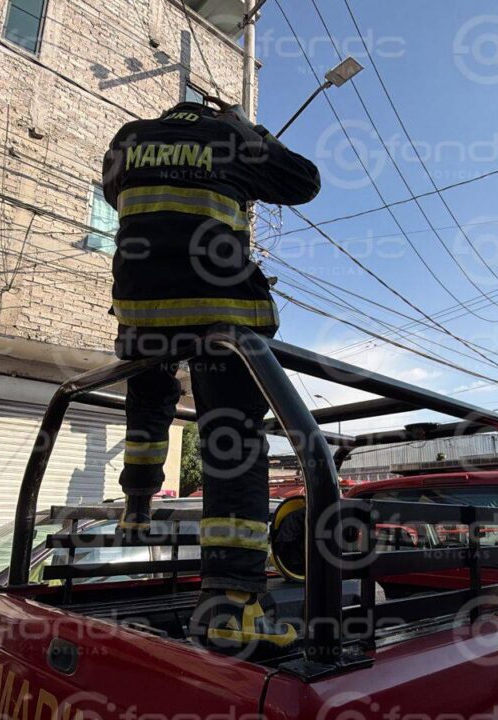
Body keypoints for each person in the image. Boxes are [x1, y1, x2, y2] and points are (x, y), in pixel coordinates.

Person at [101, 99, 320, 654]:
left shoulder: (129, 138)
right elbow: (303, 182)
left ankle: (137, 507)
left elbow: (115, 196)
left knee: (150, 401)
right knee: (233, 441)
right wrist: (253, 134)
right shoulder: (231, 138)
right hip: (221, 311)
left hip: (141, 314)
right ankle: (234, 606)